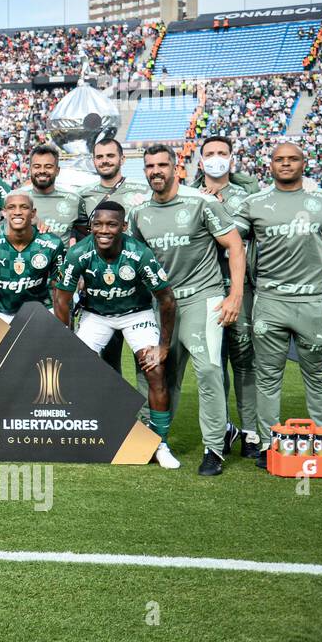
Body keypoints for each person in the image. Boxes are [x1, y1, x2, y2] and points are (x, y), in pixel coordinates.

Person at [233, 142, 322, 471]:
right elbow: (232, 246)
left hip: (313, 304)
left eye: (292, 159)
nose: (285, 164)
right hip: (269, 304)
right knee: (267, 378)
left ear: (305, 163)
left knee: (318, 378)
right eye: (279, 159)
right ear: (269, 164)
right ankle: (270, 448)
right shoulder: (253, 204)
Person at [129, 144, 246, 476]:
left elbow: (235, 245)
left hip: (202, 296)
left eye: (162, 165)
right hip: (161, 304)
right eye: (150, 166)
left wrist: (234, 295)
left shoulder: (201, 203)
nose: (156, 171)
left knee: (208, 370)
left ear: (175, 167)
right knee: (157, 373)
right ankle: (154, 441)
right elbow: (136, 260)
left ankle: (214, 449)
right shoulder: (139, 213)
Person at [53, 201, 179, 469]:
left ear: (123, 227)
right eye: (98, 224)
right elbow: (61, 299)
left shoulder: (139, 254)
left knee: (155, 369)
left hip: (136, 313)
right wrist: (67, 339)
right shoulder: (78, 253)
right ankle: (94, 430)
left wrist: (163, 346)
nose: (104, 230)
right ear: (91, 226)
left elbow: (167, 299)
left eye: (111, 225)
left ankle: (160, 443)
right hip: (96, 315)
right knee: (74, 367)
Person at [190, 135, 260, 457]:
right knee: (213, 364)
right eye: (210, 154)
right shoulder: (191, 196)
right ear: (200, 161)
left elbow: (246, 240)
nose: (216, 158)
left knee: (244, 361)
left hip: (240, 289)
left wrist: (218, 208)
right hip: (205, 290)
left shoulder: (248, 197)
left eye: (222, 153)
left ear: (231, 159)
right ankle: (225, 428)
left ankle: (251, 432)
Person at [76, 133, 151, 373]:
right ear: (94, 160)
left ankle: (147, 412)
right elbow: (79, 237)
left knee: (146, 360)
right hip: (100, 289)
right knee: (107, 361)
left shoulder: (143, 191)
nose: (105, 161)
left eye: (110, 156)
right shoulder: (84, 195)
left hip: (138, 286)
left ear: (122, 159)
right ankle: (116, 410)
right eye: (100, 157)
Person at [0, 191, 65, 323]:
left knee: (41, 344)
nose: (17, 212)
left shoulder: (52, 243)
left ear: (33, 213)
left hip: (39, 308)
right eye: (11, 207)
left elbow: (58, 289)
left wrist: (62, 328)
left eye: (24, 207)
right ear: (4, 212)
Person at [16, 144, 82, 240]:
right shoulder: (16, 198)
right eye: (37, 166)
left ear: (57, 170)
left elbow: (84, 232)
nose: (42, 171)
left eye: (48, 166)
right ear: (30, 170)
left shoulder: (75, 200)